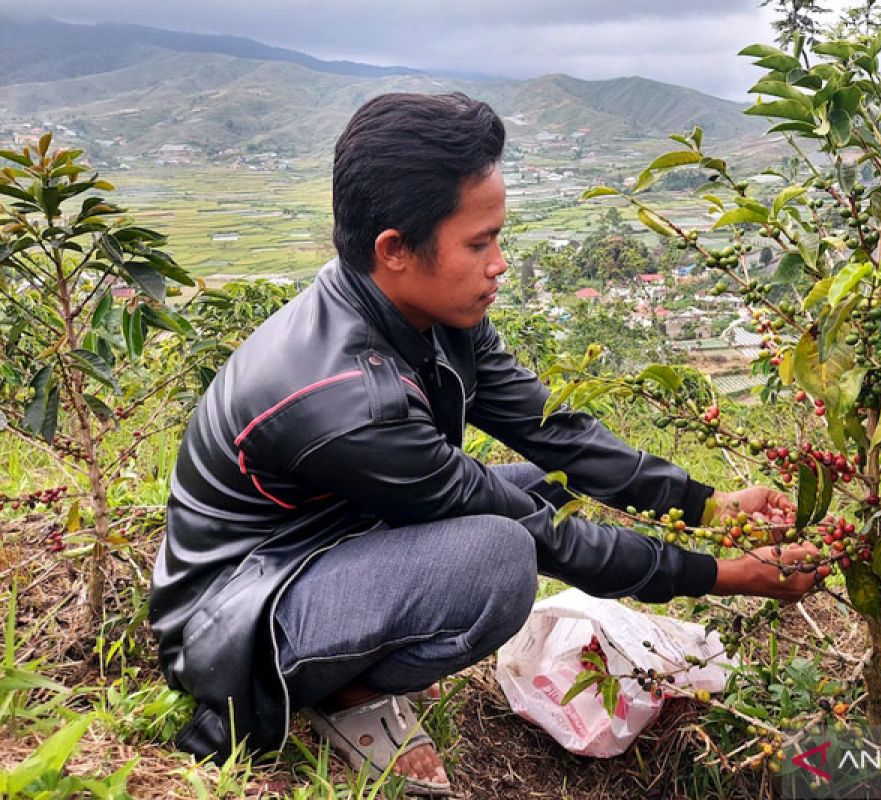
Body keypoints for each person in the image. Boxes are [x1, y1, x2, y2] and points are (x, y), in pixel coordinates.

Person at [149, 92, 819, 796]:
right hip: (237, 621)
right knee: (501, 558)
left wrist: (710, 506)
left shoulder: (423, 308)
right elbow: (538, 537)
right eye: (479, 242)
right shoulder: (346, 399)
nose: (499, 262)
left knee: (545, 480)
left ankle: (349, 660)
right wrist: (725, 575)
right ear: (395, 249)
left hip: (326, 540)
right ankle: (343, 697)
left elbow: (555, 430)